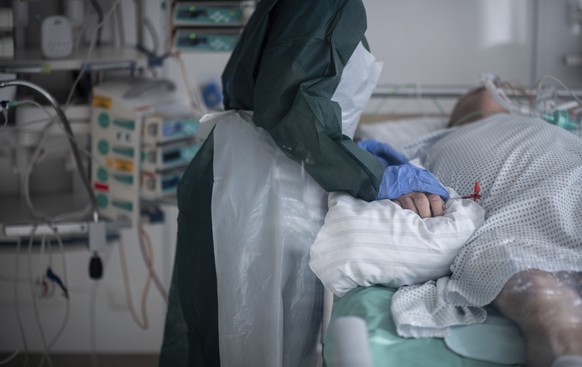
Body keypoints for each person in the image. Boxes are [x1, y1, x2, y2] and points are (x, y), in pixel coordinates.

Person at [159, 0, 449, 366]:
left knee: (216, 340)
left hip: (240, 178)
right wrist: (374, 177)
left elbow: (293, 98)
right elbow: (295, 111)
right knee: (246, 344)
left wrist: (355, 151)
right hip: (262, 193)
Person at [390, 85, 582, 367]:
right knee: (541, 296)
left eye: (496, 87)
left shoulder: (547, 127)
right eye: (472, 90)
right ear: (455, 115)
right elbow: (373, 172)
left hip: (574, 187)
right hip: (508, 227)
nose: (487, 88)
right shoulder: (424, 146)